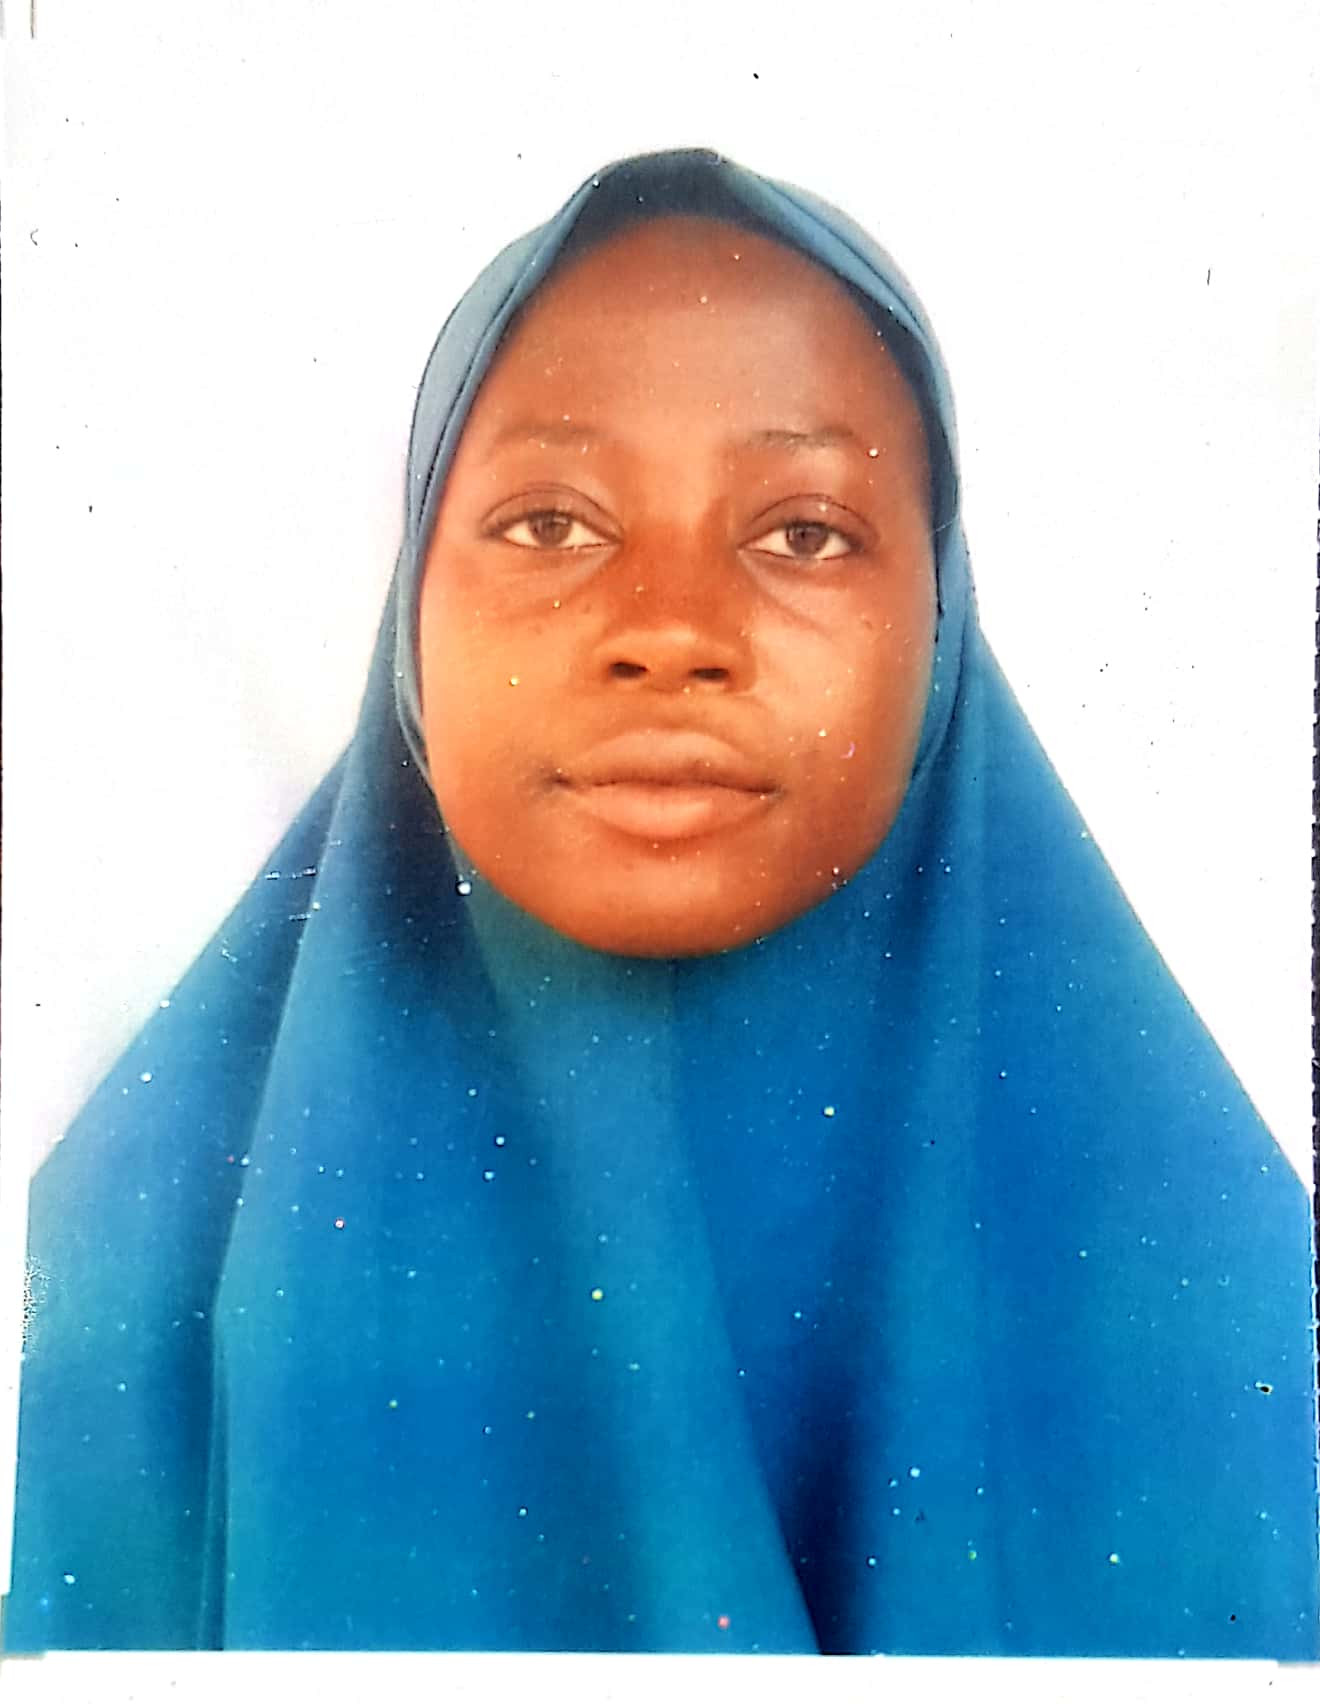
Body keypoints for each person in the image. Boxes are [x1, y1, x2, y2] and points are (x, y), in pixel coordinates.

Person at [5, 149, 1317, 1657]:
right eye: (551, 524)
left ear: (940, 623)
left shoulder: (1211, 1297)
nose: (672, 632)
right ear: (410, 611)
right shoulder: (127, 1275)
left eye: (804, 532)